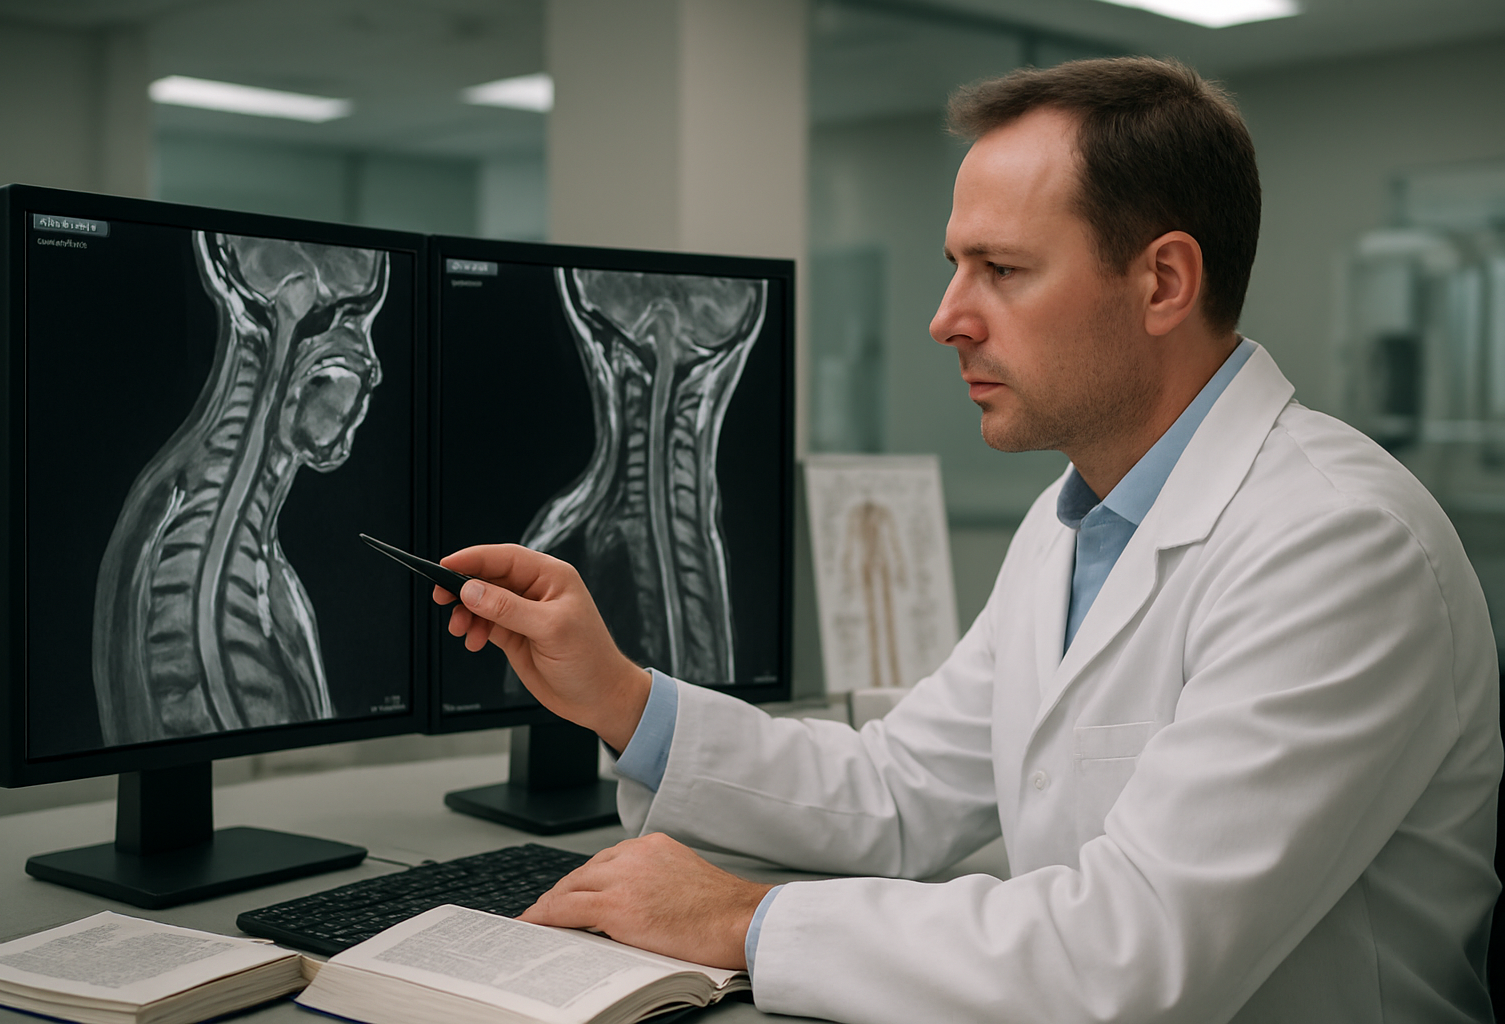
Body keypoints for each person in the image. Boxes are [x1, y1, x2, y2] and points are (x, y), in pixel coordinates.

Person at [435, 56, 1501, 1023]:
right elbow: (900, 790)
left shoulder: (1339, 544)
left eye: (1001, 269)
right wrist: (617, 693)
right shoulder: (1077, 516)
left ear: (1164, 282)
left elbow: (1135, 958)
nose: (947, 317)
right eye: (956, 265)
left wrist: (744, 920)